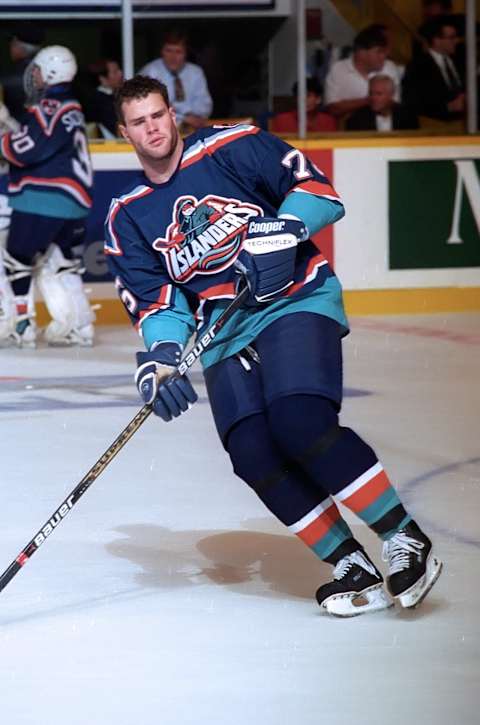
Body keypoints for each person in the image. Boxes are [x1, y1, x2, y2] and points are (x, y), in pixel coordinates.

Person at [104, 75, 442, 618]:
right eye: (140, 121)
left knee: (299, 420)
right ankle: (348, 562)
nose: (154, 127)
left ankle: (403, 537)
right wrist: (161, 359)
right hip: (223, 332)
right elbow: (157, 303)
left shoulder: (231, 145)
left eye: (159, 114)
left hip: (293, 297)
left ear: (173, 114)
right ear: (125, 133)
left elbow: (318, 191)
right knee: (251, 451)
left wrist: (282, 230)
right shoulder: (127, 215)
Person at [0, 45, 95, 348]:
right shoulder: (72, 105)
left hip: (45, 197)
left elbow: (29, 148)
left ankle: (22, 325)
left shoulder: (51, 105)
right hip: (74, 200)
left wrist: (3, 141)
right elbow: (45, 141)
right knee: (62, 260)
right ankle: (79, 325)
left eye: (38, 71)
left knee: (15, 257)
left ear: (51, 73)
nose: (35, 77)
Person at [324, 24, 403, 122]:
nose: (383, 56)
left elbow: (395, 104)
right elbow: (333, 109)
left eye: (383, 52)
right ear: (361, 52)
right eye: (379, 52)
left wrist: (349, 105)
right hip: (349, 133)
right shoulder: (338, 69)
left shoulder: (389, 66)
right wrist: (369, 100)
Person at [139, 30, 213, 132]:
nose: (173, 57)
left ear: (186, 53)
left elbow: (205, 105)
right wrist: (184, 118)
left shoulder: (195, 72)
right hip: (160, 130)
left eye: (178, 52)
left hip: (193, 129)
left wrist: (193, 117)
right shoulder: (151, 72)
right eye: (168, 50)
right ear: (161, 51)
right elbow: (151, 108)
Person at [402, 15, 465, 122]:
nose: (456, 41)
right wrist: (448, 107)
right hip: (436, 126)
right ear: (437, 40)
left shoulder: (460, 61)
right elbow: (413, 103)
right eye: (452, 37)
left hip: (465, 124)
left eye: (457, 37)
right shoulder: (418, 66)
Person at [0, 23, 45, 122]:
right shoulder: (49, 70)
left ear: (19, 47)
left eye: (12, 44)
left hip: (21, 133)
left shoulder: (11, 78)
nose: (10, 48)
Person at [346, 74, 418, 131]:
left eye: (379, 94)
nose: (373, 97)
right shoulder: (357, 119)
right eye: (371, 93)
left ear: (391, 94)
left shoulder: (407, 116)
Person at [271, 78, 337, 134]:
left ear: (318, 99)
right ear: (295, 99)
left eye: (308, 96)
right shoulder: (282, 120)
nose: (303, 100)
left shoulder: (327, 121)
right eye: (300, 96)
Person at [86, 58, 124, 138]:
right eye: (115, 72)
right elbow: (118, 131)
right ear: (103, 79)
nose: (120, 73)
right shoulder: (100, 101)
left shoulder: (112, 95)